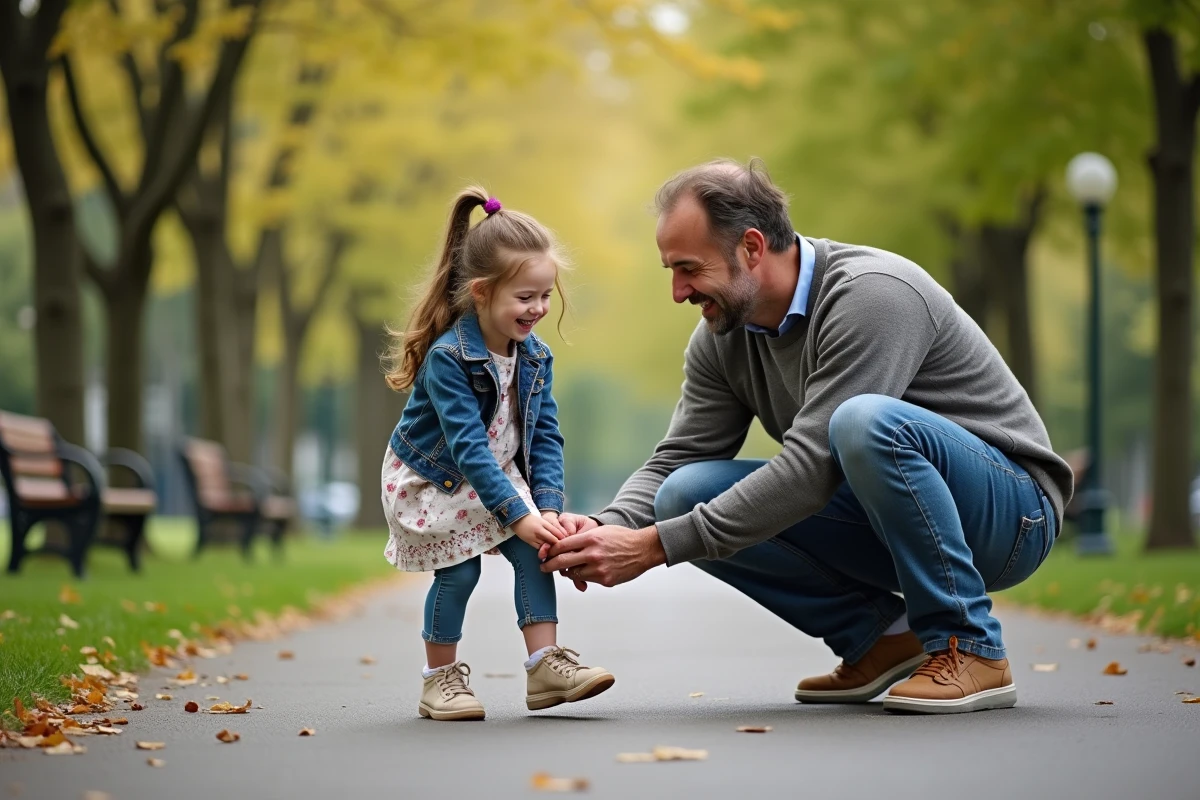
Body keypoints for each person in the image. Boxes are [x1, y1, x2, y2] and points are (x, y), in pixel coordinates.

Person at [540, 159, 1073, 714]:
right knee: (683, 491)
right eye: (671, 271)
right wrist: (607, 527)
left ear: (751, 247)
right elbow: (680, 456)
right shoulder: (724, 335)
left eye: (689, 269)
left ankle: (972, 646)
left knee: (863, 421)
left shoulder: (873, 296)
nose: (678, 292)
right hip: (890, 514)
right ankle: (883, 640)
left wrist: (653, 547)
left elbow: (812, 466)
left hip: (1009, 515)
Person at [381, 188, 614, 721]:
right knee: (459, 573)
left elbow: (544, 436)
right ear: (482, 292)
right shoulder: (448, 358)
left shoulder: (535, 355)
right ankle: (439, 680)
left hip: (498, 472)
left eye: (545, 295)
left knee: (537, 550)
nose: (538, 309)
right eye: (525, 297)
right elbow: (466, 448)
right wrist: (516, 513)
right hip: (436, 476)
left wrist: (548, 508)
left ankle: (545, 667)